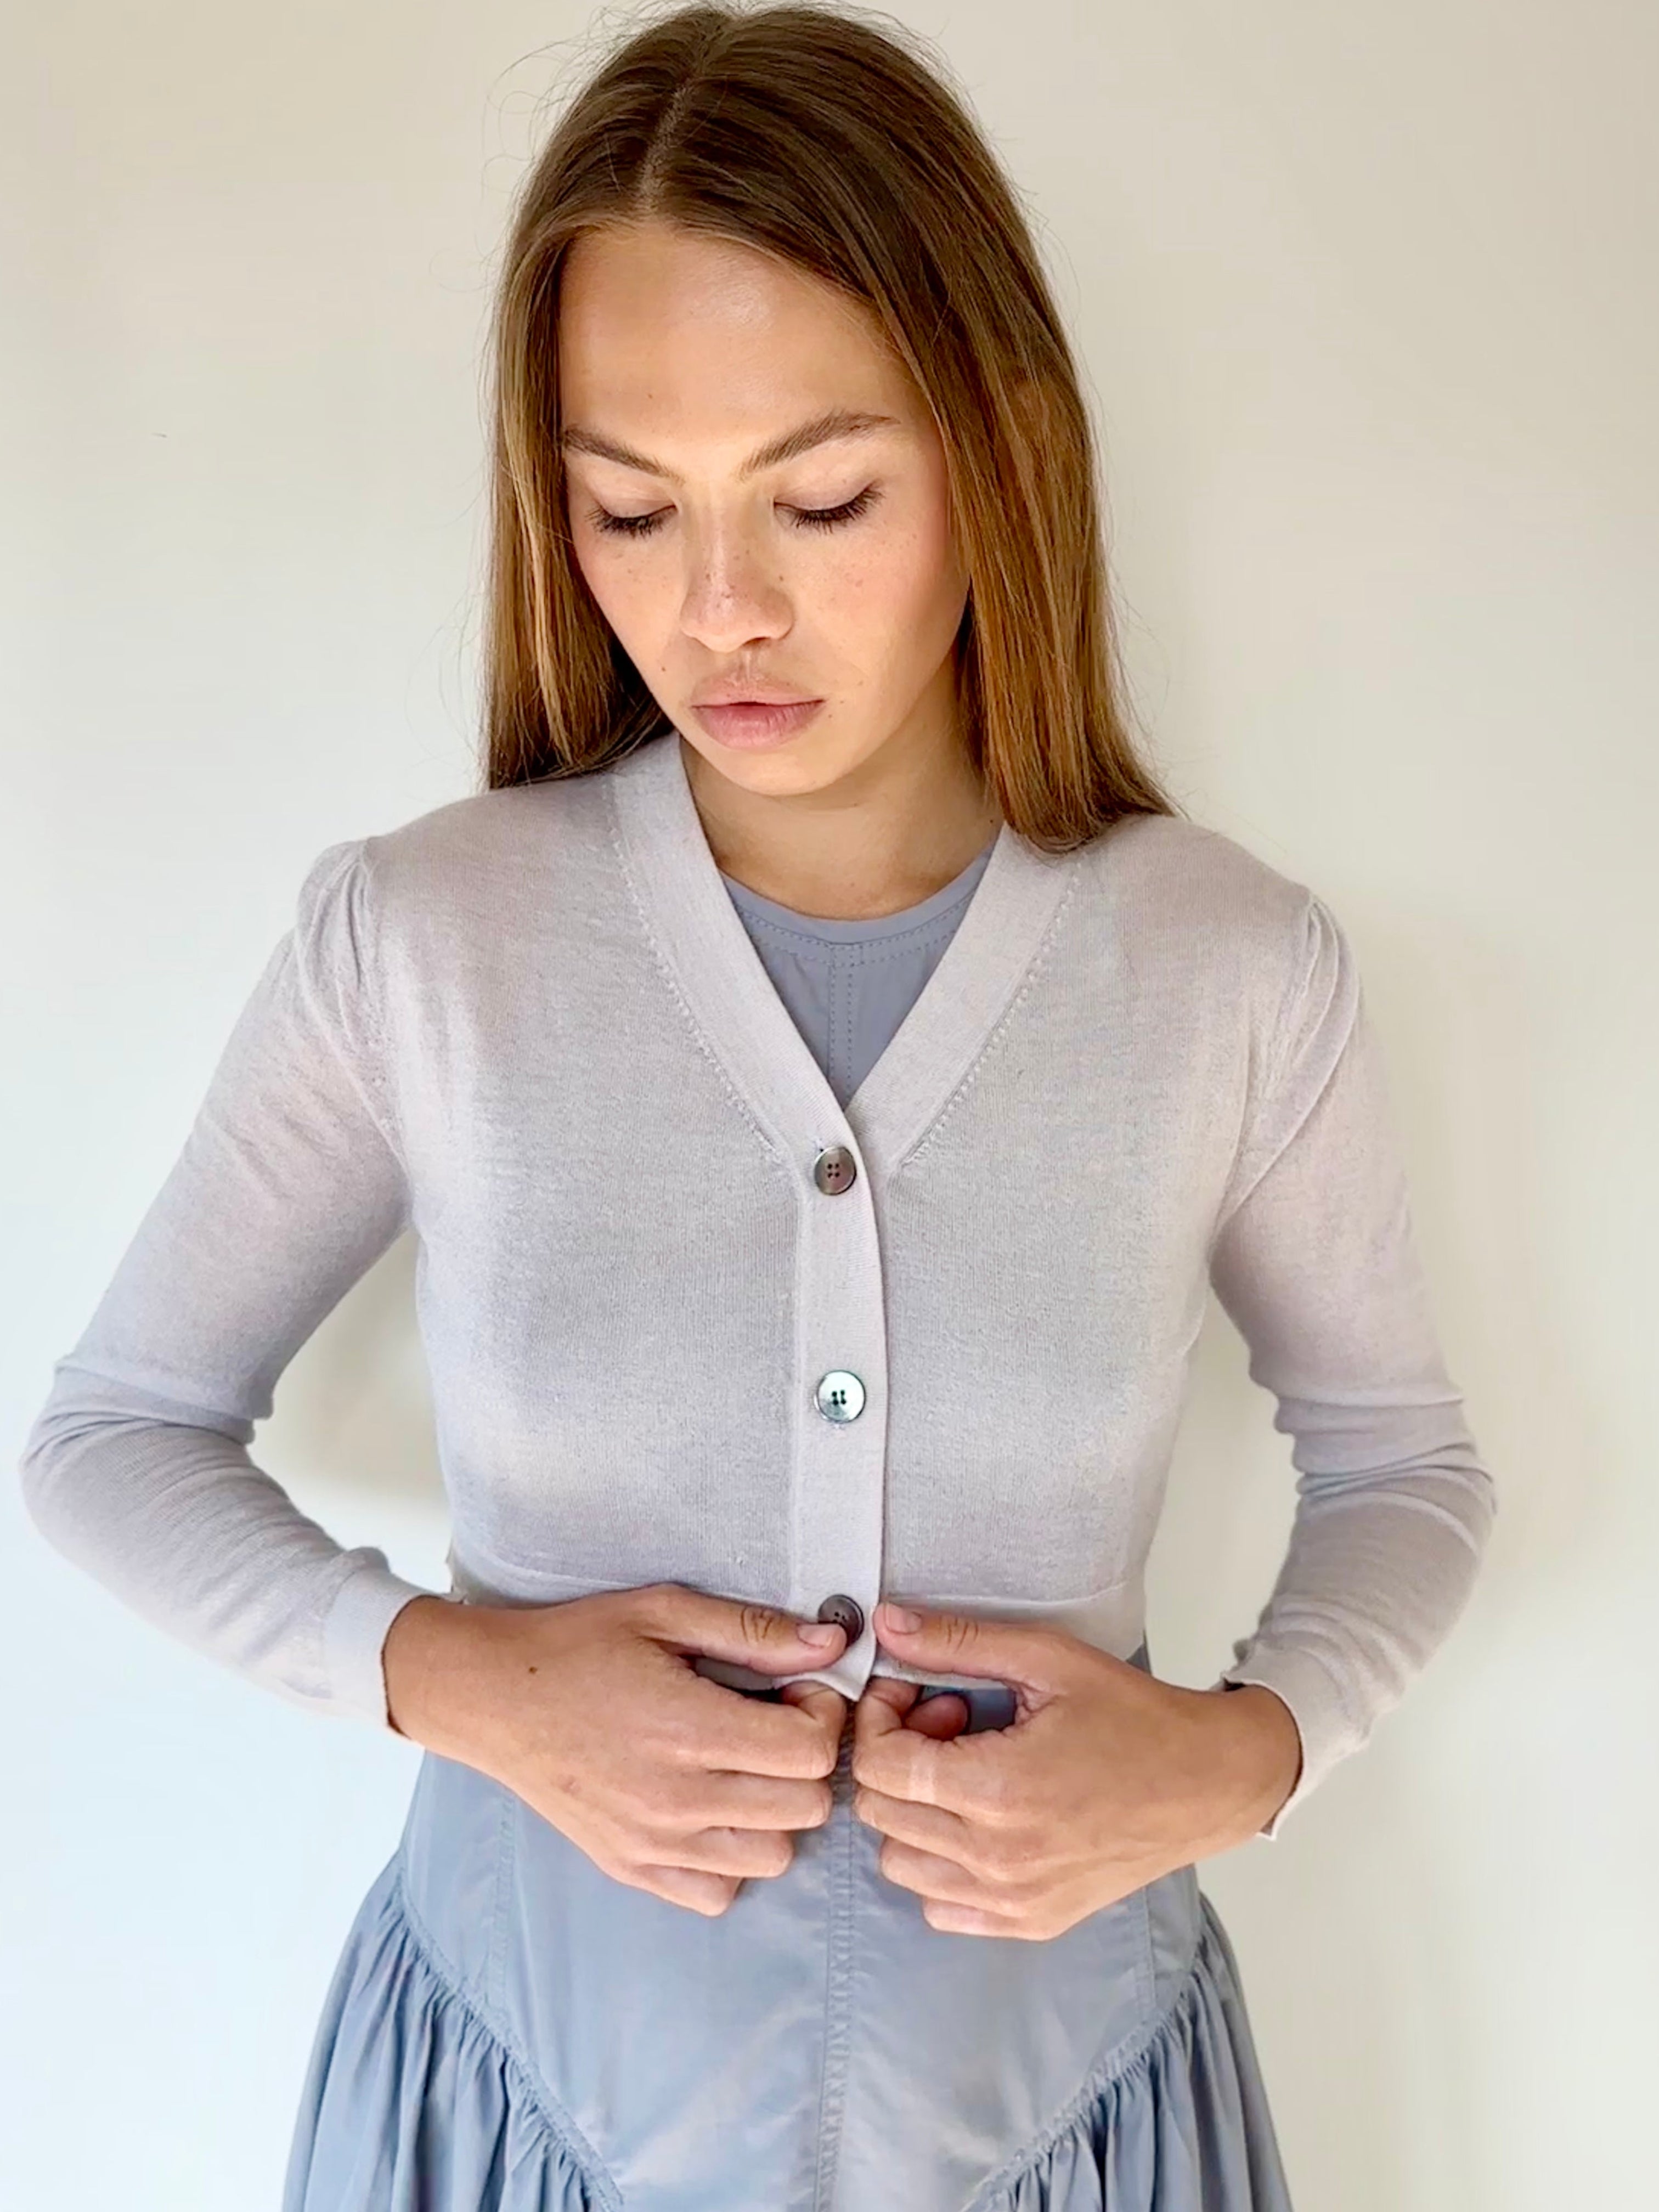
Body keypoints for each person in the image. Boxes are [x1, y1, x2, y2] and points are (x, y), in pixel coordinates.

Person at [17, 5, 1497, 2207]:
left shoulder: (1225, 967)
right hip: (509, 2111)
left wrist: (1239, 1756)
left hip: (1077, 2117)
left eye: (822, 499)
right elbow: (111, 1439)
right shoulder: (426, 938)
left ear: (997, 446)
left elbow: (1402, 1465)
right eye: (631, 509)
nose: (724, 611)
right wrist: (457, 1682)